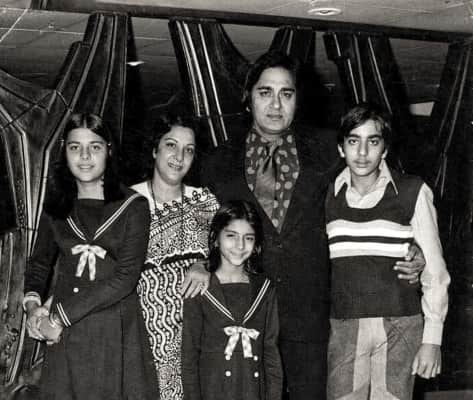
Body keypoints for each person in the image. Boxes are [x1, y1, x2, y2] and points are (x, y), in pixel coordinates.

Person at [185, 50, 425, 399]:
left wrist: (413, 245)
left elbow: (380, 188)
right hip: (245, 311)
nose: (276, 104)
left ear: (298, 99)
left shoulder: (329, 150)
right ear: (248, 97)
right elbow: (201, 223)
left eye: (286, 93)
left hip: (313, 315)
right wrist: (199, 260)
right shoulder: (217, 162)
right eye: (265, 92)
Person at [23, 113, 158, 400]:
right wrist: (33, 308)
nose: (84, 156)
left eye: (94, 147)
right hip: (64, 337)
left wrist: (58, 317)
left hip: (112, 330)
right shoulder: (56, 205)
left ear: (108, 150)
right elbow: (39, 265)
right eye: (75, 147)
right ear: (65, 151)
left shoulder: (133, 206)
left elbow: (124, 279)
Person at [325, 104, 451, 400]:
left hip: (401, 326)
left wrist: (432, 339)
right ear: (341, 148)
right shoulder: (327, 195)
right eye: (353, 141)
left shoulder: (412, 191)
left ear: (385, 148)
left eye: (373, 141)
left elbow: (435, 270)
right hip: (345, 325)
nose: (362, 152)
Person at [131, 112, 220, 400]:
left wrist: (205, 263)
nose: (179, 157)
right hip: (140, 338)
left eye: (189, 150)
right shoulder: (127, 203)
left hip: (196, 339)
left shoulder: (205, 202)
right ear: (154, 149)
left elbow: (232, 255)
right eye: (171, 145)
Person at [182, 200, 282, 400]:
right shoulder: (200, 289)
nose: (240, 245)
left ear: (256, 245)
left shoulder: (265, 290)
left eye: (248, 238)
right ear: (216, 238)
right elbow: (189, 357)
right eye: (231, 236)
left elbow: (271, 354)